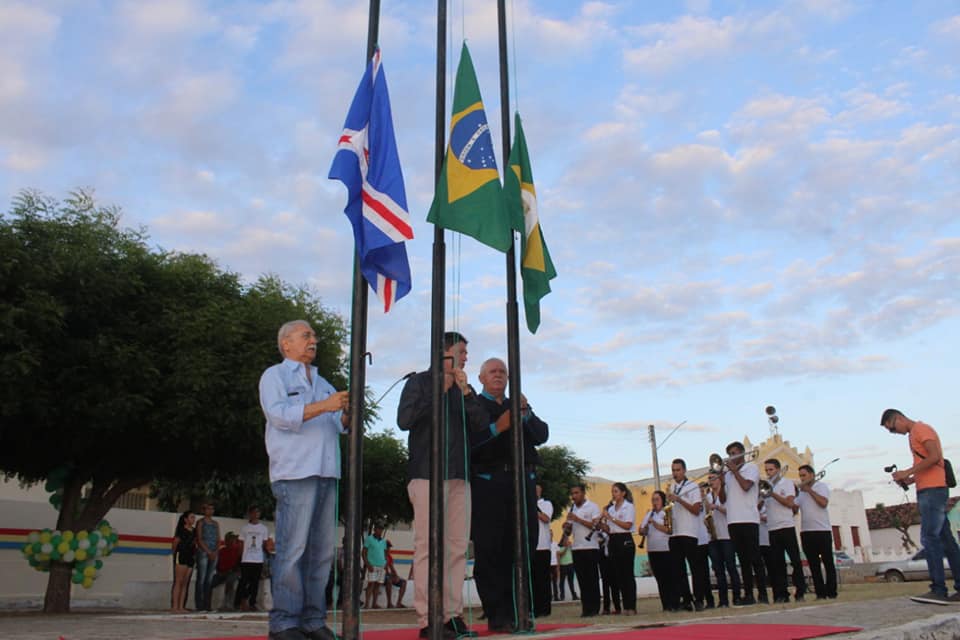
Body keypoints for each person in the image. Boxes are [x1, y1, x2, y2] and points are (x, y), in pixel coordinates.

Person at [259, 319, 350, 640]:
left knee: (322, 553)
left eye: (314, 335)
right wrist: (325, 405)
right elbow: (279, 415)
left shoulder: (324, 382)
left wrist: (346, 413)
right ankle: (284, 622)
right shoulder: (275, 376)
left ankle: (313, 620)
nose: (313, 340)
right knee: (292, 549)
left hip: (327, 472)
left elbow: (339, 426)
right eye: (305, 335)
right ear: (286, 344)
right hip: (295, 472)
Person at [397, 331, 487, 639]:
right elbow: (404, 420)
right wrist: (439, 391)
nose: (465, 357)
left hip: (459, 476)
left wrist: (466, 394)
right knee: (427, 547)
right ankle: (427, 618)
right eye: (461, 351)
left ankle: (452, 615)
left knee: (457, 548)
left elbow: (482, 427)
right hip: (426, 474)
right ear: (443, 353)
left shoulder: (465, 388)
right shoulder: (419, 382)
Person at [470, 357, 549, 631]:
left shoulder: (518, 406)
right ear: (481, 378)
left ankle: (522, 610)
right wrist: (498, 427)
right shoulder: (474, 405)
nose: (499, 375)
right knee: (492, 549)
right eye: (492, 371)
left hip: (522, 482)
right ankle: (498, 614)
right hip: (490, 483)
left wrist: (525, 409)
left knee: (524, 546)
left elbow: (541, 435)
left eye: (503, 371)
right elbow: (471, 442)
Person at [882, 409, 960, 605]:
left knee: (929, 537)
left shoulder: (920, 429)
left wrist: (908, 470)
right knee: (946, 541)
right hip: (929, 488)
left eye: (892, 429)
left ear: (897, 418)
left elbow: (935, 457)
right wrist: (908, 478)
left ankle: (938, 589)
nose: (894, 433)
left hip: (933, 491)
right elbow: (927, 464)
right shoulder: (913, 435)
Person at [718, 441, 762, 606]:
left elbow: (746, 486)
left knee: (755, 558)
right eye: (730, 454)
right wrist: (722, 482)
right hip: (733, 520)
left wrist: (735, 471)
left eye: (735, 453)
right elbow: (723, 499)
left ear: (743, 453)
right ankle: (748, 594)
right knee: (743, 560)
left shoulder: (751, 468)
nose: (732, 456)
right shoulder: (728, 475)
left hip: (749, 519)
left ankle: (763, 593)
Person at [763, 459, 805, 603]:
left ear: (778, 470)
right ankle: (781, 594)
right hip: (772, 528)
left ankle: (800, 592)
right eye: (767, 470)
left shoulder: (786, 483)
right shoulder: (766, 486)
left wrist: (772, 493)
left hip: (786, 526)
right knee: (777, 564)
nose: (768, 473)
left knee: (795, 561)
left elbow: (789, 503)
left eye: (771, 470)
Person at [668, 459, 707, 611]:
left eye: (678, 470)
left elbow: (696, 510)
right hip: (675, 532)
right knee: (678, 570)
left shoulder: (692, 487)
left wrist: (679, 499)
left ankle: (699, 599)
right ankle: (686, 599)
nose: (675, 473)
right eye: (673, 470)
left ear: (684, 471)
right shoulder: (672, 487)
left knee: (695, 568)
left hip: (689, 532)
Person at [794, 464, 837, 600]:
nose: (802, 478)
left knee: (828, 563)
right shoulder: (801, 492)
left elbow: (823, 503)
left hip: (822, 530)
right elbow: (795, 509)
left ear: (812, 475)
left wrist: (809, 490)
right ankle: (820, 593)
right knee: (813, 565)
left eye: (804, 475)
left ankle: (831, 592)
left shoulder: (821, 486)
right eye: (800, 476)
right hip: (806, 532)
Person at [565, 483, 602, 617]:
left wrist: (578, 519)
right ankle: (586, 608)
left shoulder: (592, 507)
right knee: (582, 580)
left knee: (592, 579)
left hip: (590, 547)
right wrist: (567, 526)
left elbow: (596, 526)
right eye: (572, 494)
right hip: (577, 548)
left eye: (576, 493)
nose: (574, 496)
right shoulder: (572, 508)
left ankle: (595, 608)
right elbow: (569, 530)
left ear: (583, 493)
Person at [705, 472, 741, 607]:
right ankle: (723, 600)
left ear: (720, 480)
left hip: (727, 535)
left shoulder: (727, 493)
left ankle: (737, 597)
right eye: (709, 479)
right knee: (718, 570)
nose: (711, 481)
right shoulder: (708, 497)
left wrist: (717, 507)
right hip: (713, 538)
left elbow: (732, 511)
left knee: (731, 567)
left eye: (713, 478)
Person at [639, 490, 676, 612]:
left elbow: (669, 530)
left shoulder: (666, 512)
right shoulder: (649, 513)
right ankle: (665, 604)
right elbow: (641, 530)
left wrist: (654, 524)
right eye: (653, 500)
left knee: (668, 578)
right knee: (659, 578)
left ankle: (673, 603)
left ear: (662, 500)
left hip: (665, 549)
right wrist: (644, 530)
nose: (654, 502)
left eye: (657, 500)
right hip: (653, 549)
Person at [604, 482, 637, 615]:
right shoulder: (611, 508)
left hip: (625, 539)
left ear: (623, 493)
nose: (614, 494)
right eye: (613, 491)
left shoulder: (628, 507)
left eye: (616, 491)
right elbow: (609, 528)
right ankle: (625, 606)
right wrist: (601, 524)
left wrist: (610, 518)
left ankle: (632, 606)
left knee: (627, 574)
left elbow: (627, 525)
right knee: (619, 575)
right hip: (613, 540)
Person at [237, 505, 270, 612]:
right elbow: (241, 543)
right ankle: (242, 601)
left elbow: (264, 544)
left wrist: (268, 553)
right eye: (254, 512)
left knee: (255, 582)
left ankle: (252, 603)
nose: (256, 514)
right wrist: (240, 557)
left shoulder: (264, 528)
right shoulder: (244, 528)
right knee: (244, 581)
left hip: (258, 558)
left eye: (258, 512)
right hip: (246, 559)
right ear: (250, 514)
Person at [194, 502, 222, 612]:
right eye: (208, 509)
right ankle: (200, 605)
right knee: (201, 578)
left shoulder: (215, 523)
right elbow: (199, 538)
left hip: (214, 552)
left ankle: (207, 604)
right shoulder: (200, 522)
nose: (210, 511)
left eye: (212, 509)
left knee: (209, 579)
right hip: (203, 552)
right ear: (204, 510)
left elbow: (218, 539)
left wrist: (215, 551)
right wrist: (208, 551)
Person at [534, 484, 554, 617]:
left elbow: (546, 519)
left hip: (543, 546)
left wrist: (534, 509)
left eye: (537, 490)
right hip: (531, 546)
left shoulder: (546, 504)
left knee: (543, 580)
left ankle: (544, 609)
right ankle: (534, 608)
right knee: (533, 580)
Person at [171, 510, 196, 613]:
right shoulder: (181, 530)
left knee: (185, 582)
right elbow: (175, 543)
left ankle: (181, 606)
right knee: (178, 581)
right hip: (181, 555)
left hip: (190, 556)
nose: (193, 519)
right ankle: (175, 606)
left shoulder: (194, 531)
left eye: (194, 517)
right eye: (191, 517)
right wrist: (174, 555)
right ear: (185, 519)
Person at [211, 532, 242, 611]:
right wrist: (220, 571)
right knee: (209, 582)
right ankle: (208, 605)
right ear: (226, 541)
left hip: (233, 572)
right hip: (221, 573)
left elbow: (239, 566)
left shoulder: (238, 551)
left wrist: (231, 570)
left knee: (230, 581)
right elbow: (217, 565)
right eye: (230, 539)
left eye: (233, 540)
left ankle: (228, 605)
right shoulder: (222, 551)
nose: (232, 542)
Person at [362, 524, 388, 609]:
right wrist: (368, 564)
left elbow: (385, 553)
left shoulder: (383, 541)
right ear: (374, 529)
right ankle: (367, 604)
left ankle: (374, 604)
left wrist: (386, 562)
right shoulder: (369, 539)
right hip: (372, 565)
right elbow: (364, 553)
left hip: (382, 566)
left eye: (381, 529)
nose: (380, 531)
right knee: (371, 584)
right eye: (378, 528)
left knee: (378, 585)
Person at [383, 541, 407, 608]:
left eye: (389, 548)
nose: (388, 549)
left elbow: (392, 567)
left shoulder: (389, 557)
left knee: (403, 582)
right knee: (389, 580)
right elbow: (382, 569)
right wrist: (389, 575)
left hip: (387, 575)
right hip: (381, 575)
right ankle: (389, 603)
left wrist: (396, 576)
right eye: (387, 547)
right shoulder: (380, 555)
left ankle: (398, 603)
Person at [556, 535, 577, 601]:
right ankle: (562, 596)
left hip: (570, 564)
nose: (567, 541)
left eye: (568, 539)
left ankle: (574, 596)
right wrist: (566, 547)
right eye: (566, 540)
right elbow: (560, 554)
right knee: (562, 582)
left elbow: (573, 553)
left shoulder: (570, 547)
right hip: (563, 565)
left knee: (571, 581)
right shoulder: (559, 547)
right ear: (563, 540)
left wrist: (570, 547)